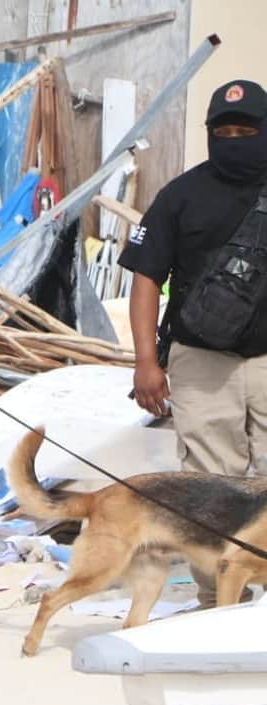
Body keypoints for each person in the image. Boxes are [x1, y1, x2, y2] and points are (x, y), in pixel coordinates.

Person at [121, 79, 267, 607]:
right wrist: (145, 362)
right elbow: (145, 278)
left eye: (246, 131)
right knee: (210, 490)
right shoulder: (179, 195)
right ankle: (217, 606)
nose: (234, 140)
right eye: (223, 132)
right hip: (201, 365)